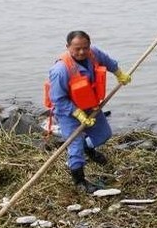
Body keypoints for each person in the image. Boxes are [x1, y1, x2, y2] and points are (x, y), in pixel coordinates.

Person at [46, 30, 131, 193]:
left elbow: (109, 63)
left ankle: (88, 147)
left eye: (85, 47)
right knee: (75, 146)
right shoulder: (60, 70)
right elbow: (58, 99)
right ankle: (79, 181)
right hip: (68, 113)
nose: (81, 52)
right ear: (67, 47)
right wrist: (77, 113)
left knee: (104, 135)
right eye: (77, 48)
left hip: (90, 106)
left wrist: (119, 74)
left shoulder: (94, 54)